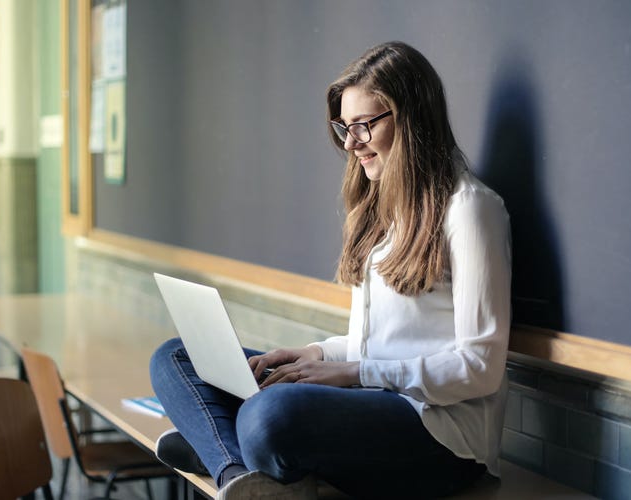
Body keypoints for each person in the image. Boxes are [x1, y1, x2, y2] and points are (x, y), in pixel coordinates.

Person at [150, 40, 511, 500]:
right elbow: (377, 343)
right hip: (370, 399)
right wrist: (316, 354)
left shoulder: (471, 210)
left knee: (270, 415)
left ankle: (220, 447)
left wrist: (355, 374)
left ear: (412, 118)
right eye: (344, 127)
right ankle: (240, 475)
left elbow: (480, 368)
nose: (350, 143)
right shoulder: (383, 209)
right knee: (175, 356)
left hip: (439, 435)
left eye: (363, 126)